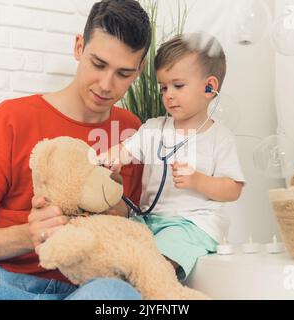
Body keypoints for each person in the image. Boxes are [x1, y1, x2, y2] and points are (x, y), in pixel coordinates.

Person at [0, 0, 151, 300]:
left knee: (117, 294)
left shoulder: (133, 133)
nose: (107, 85)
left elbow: (132, 228)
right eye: (98, 64)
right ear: (79, 48)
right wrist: (29, 235)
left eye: (123, 73)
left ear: (139, 70)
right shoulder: (12, 119)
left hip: (86, 289)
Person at [99, 33, 246, 281]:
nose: (168, 95)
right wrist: (113, 156)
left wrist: (197, 180)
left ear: (210, 87)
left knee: (157, 261)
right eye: (164, 87)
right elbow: (127, 148)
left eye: (178, 86)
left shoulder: (220, 137)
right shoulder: (154, 128)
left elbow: (233, 189)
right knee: (114, 248)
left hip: (192, 225)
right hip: (150, 221)